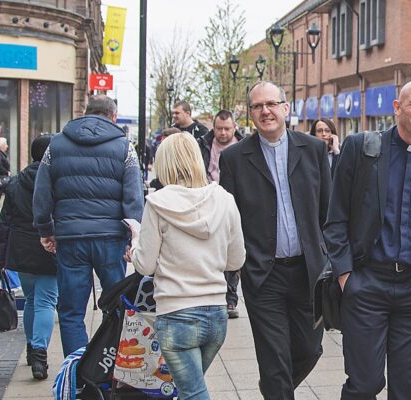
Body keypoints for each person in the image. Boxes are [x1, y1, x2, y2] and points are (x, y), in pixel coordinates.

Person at [219, 81, 331, 399]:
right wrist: (235, 267)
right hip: (263, 275)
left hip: (308, 274)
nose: (265, 111)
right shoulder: (235, 158)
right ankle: (276, 387)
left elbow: (328, 211)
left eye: (271, 104)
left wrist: (330, 260)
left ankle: (273, 389)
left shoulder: (314, 149)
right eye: (257, 106)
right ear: (251, 114)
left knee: (311, 350)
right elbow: (229, 219)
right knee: (274, 362)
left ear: (285, 107)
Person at [324, 79, 411, 399]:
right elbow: (336, 218)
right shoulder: (361, 148)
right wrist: (346, 276)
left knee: (408, 388)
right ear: (397, 108)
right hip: (367, 285)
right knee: (364, 384)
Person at [127, 131, 245, 400]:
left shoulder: (157, 204)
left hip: (176, 313)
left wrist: (134, 247)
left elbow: (144, 265)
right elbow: (236, 260)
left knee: (192, 392)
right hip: (216, 314)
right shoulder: (225, 200)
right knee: (187, 388)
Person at [33, 95, 144, 357]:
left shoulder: (55, 146)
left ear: (85, 113)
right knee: (117, 304)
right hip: (110, 238)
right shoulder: (124, 147)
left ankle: (78, 374)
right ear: (113, 116)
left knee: (71, 311)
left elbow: (41, 193)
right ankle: (110, 367)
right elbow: (133, 197)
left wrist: (46, 230)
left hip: (70, 237)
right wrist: (133, 237)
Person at [0, 135, 57, 380]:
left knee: (31, 300)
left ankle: (31, 349)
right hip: (49, 248)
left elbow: (5, 222)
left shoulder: (17, 182)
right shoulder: (56, 181)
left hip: (21, 250)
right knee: (47, 302)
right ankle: (39, 353)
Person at [197, 109, 245, 319]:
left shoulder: (244, 147)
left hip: (237, 204)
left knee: (232, 251)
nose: (223, 133)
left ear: (234, 128)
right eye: (219, 129)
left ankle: (230, 299)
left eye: (227, 129)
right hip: (209, 203)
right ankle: (214, 294)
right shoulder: (203, 145)